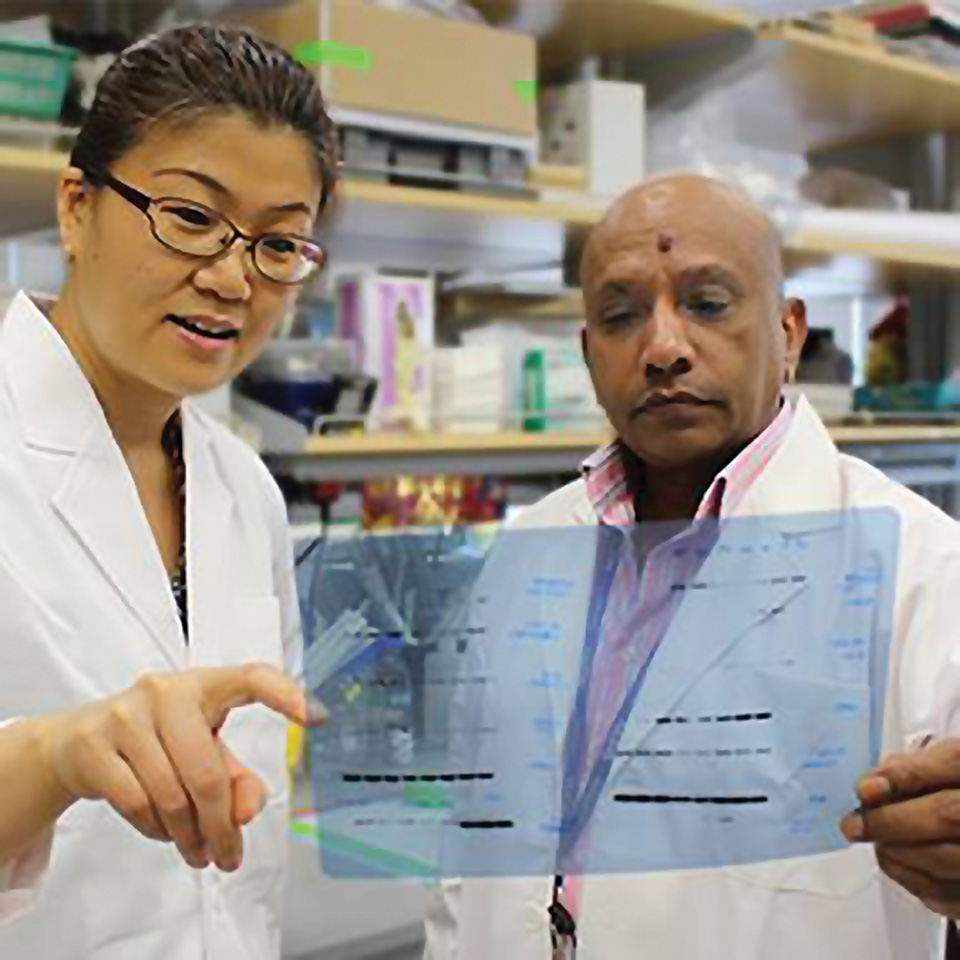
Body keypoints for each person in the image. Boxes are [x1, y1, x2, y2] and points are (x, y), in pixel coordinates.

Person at [423, 174, 960, 959]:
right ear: (588, 352)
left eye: (708, 304)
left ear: (789, 333)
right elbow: (465, 860)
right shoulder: (524, 553)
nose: (664, 348)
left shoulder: (927, 569)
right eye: (621, 316)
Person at [0, 23, 337, 959]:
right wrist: (56, 756)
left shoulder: (245, 489)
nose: (231, 278)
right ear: (77, 209)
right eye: (190, 217)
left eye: (279, 244)